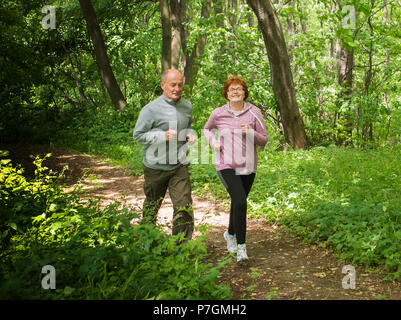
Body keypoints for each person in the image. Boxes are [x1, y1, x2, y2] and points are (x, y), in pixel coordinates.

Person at [204, 75, 268, 262]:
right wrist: (213, 142)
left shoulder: (254, 112)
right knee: (240, 201)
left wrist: (252, 132)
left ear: (244, 92)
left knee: (237, 201)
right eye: (231, 89)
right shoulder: (218, 113)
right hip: (225, 164)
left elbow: (264, 139)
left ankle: (230, 233)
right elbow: (207, 129)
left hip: (248, 165)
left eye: (239, 89)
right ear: (226, 94)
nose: (235, 92)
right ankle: (241, 248)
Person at [133, 69, 195, 241]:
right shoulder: (150, 109)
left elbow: (188, 126)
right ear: (163, 85)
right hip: (155, 167)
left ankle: (181, 246)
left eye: (180, 85)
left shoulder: (187, 106)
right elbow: (138, 135)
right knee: (152, 206)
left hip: (179, 165)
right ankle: (147, 240)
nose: (177, 88)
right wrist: (162, 136)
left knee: (183, 206)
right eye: (172, 85)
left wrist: (190, 134)